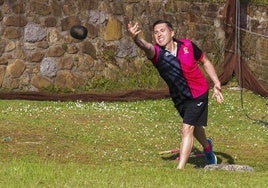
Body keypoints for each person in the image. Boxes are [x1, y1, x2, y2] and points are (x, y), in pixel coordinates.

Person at [127, 20, 224, 169]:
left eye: (162, 30)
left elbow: (204, 60)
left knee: (187, 128)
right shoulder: (157, 54)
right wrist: (136, 38)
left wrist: (216, 82)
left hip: (198, 93)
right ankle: (207, 147)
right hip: (179, 97)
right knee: (195, 126)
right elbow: (145, 46)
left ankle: (180, 170)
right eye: (156, 32)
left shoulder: (187, 45)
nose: (159, 34)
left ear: (172, 33)